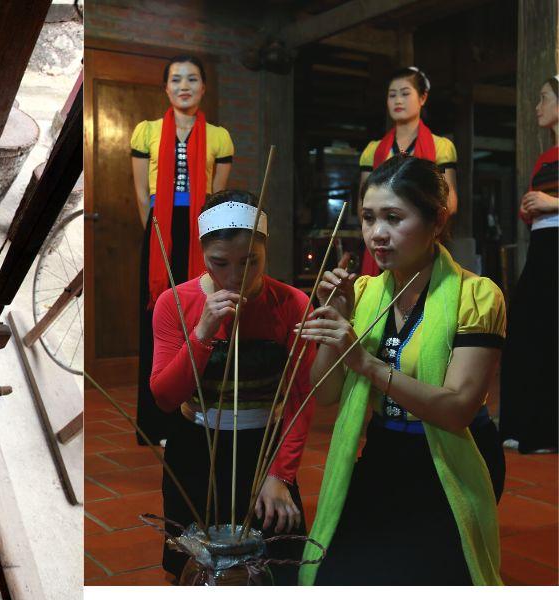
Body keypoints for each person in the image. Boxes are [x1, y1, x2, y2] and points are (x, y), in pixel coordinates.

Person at [299, 156, 506, 585]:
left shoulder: (476, 295)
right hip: (385, 451)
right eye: (369, 217)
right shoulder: (365, 291)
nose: (377, 234)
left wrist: (365, 362)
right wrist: (335, 323)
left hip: (450, 457)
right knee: (337, 575)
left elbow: (456, 411)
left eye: (394, 218)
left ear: (436, 222)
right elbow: (325, 393)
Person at [148, 191, 312, 584]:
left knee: (277, 564)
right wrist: (203, 332)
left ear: (265, 250)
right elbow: (166, 398)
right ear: (203, 254)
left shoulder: (291, 303)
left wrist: (281, 475)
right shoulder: (175, 301)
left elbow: (300, 397)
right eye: (220, 263)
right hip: (196, 445)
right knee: (193, 566)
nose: (237, 275)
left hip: (263, 448)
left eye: (250, 261)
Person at [130, 55, 234, 445]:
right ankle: (155, 424)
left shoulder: (220, 137)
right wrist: (156, 233)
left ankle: (193, 419)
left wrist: (200, 235)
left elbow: (217, 196)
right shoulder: (147, 131)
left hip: (200, 233)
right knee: (159, 320)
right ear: (166, 88)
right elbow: (142, 192)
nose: (184, 85)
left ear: (203, 87)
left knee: (199, 313)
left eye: (192, 79)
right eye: (176, 79)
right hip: (159, 231)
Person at [501, 75, 559, 455]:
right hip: (542, 247)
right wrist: (529, 208)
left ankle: (547, 432)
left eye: (544, 98)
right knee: (524, 329)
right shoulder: (544, 157)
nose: (538, 106)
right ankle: (524, 424)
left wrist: (551, 204)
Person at [356, 67, 459, 275]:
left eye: (405, 93)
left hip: (421, 239)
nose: (398, 100)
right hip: (386, 237)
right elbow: (363, 201)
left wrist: (424, 228)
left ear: (423, 97)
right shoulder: (373, 150)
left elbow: (450, 201)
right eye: (392, 95)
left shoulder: (441, 146)